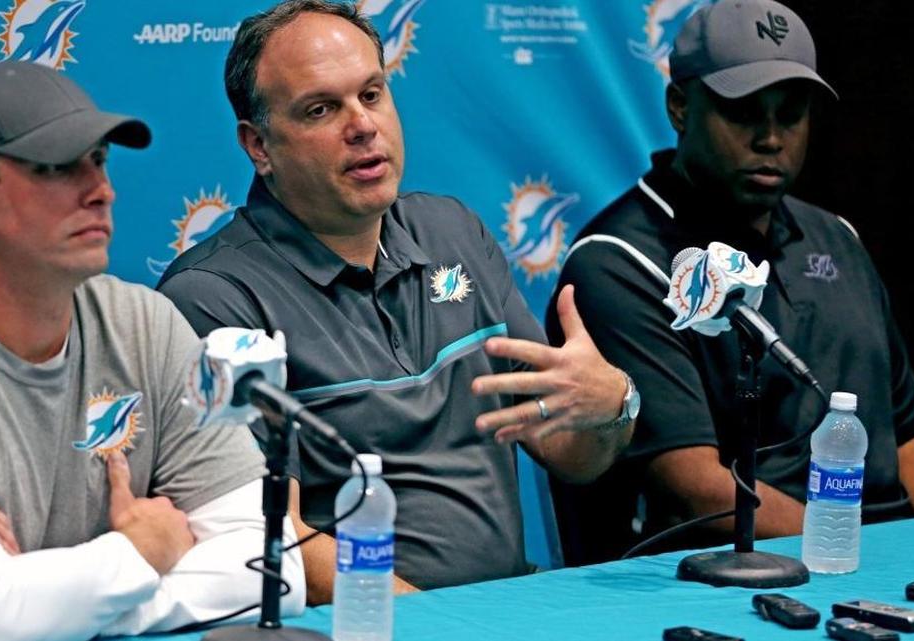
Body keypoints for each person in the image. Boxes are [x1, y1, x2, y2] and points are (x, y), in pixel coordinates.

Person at [157, 0, 637, 602]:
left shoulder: (453, 232)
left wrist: (611, 403)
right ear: (259, 146)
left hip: (509, 605)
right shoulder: (212, 298)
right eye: (321, 109)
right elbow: (270, 530)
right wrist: (436, 624)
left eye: (372, 94)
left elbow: (571, 455)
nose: (362, 125)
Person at [0, 61, 303, 640]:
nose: (101, 190)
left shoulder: (143, 323)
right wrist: (141, 550)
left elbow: (275, 574)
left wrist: (53, 596)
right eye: (57, 167)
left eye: (98, 160)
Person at [546, 0, 914, 560]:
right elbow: (697, 492)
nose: (770, 137)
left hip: (873, 560)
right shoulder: (618, 261)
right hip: (723, 576)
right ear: (680, 107)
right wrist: (858, 554)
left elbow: (913, 445)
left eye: (790, 113)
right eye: (743, 112)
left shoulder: (837, 238)